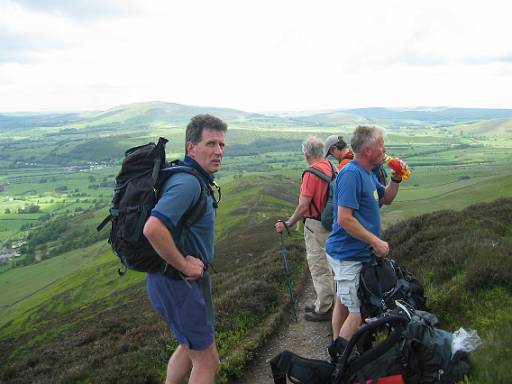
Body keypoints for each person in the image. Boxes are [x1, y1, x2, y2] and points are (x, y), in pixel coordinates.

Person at [143, 114, 227, 384]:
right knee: (207, 361)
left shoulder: (190, 177)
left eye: (221, 145)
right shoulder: (188, 183)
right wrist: (185, 265)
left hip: (166, 281)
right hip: (181, 284)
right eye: (211, 144)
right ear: (191, 148)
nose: (218, 152)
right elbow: (153, 228)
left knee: (187, 346)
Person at [325, 125, 403, 343]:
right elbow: (344, 218)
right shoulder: (351, 174)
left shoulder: (367, 173)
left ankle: (335, 343)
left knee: (343, 300)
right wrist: (375, 241)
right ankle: (340, 365)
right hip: (347, 255)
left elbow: (386, 198)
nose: (385, 149)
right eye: (381, 145)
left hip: (356, 253)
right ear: (368, 149)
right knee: (356, 312)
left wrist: (396, 179)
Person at [275, 135, 336, 322]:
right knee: (332, 264)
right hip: (332, 222)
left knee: (318, 265)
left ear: (306, 154)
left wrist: (288, 223)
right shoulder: (332, 167)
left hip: (315, 225)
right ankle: (326, 301)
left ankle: (325, 307)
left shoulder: (310, 173)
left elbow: (303, 206)